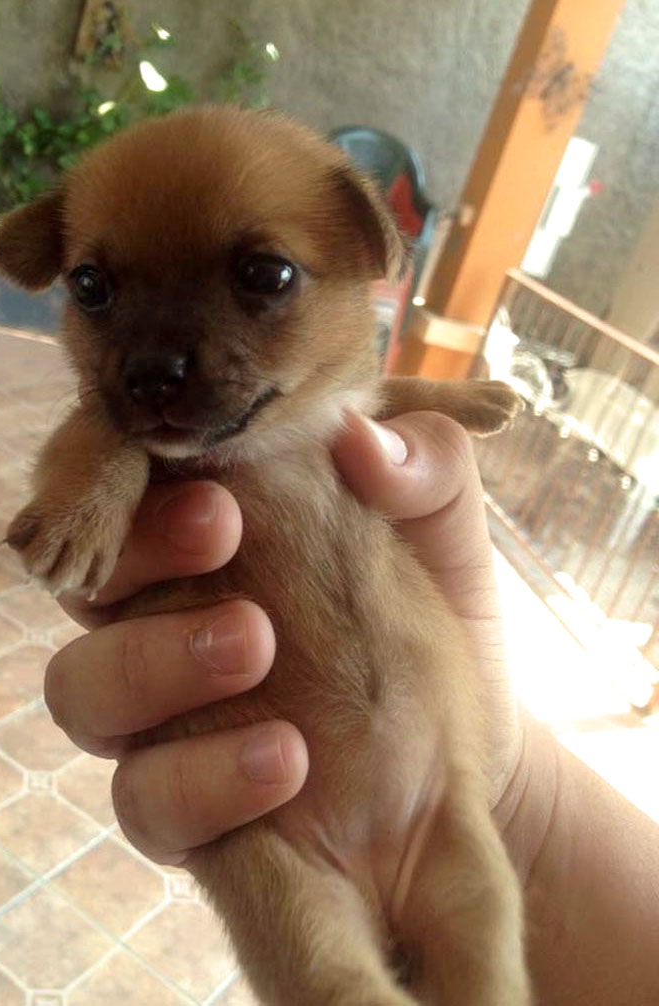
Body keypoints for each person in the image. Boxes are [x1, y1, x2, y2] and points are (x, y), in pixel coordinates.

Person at [48, 410, 659, 1005]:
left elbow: (358, 391)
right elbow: (93, 437)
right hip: (284, 834)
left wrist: (420, 399)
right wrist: (102, 481)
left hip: (437, 799)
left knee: (488, 961)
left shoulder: (327, 401)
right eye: (97, 305)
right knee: (328, 980)